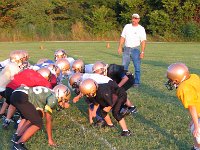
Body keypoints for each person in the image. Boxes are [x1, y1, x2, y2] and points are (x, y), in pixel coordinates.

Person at [11, 84, 71, 149]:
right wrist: (50, 139)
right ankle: (18, 145)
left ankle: (17, 138)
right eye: (65, 100)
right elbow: (48, 120)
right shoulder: (53, 99)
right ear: (60, 96)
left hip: (16, 94)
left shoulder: (50, 93)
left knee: (34, 117)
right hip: (22, 96)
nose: (64, 103)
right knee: (38, 123)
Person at [165, 63, 200, 150]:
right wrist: (194, 119)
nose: (170, 82)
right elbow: (196, 98)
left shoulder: (183, 88)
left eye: (171, 80)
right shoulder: (193, 77)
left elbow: (192, 106)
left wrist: (196, 125)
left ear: (176, 80)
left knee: (197, 133)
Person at [117, 13, 146, 87]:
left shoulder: (141, 28)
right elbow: (123, 37)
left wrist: (142, 52)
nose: (134, 20)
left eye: (136, 18)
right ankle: (123, 81)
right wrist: (120, 47)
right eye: (133, 18)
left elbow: (143, 41)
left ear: (138, 20)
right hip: (126, 49)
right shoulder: (127, 26)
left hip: (135, 50)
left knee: (137, 67)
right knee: (124, 68)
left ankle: (136, 82)